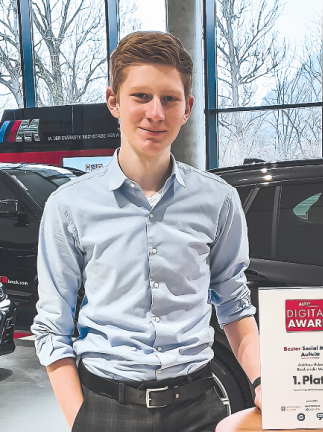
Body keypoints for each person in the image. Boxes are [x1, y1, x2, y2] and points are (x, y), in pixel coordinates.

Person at [31, 31, 261, 432]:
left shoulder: (219, 201)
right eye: (141, 96)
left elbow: (234, 305)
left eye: (169, 98)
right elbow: (52, 327)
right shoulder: (68, 206)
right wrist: (82, 421)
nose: (156, 113)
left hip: (200, 407)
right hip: (106, 409)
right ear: (114, 102)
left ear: (188, 108)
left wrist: (262, 382)